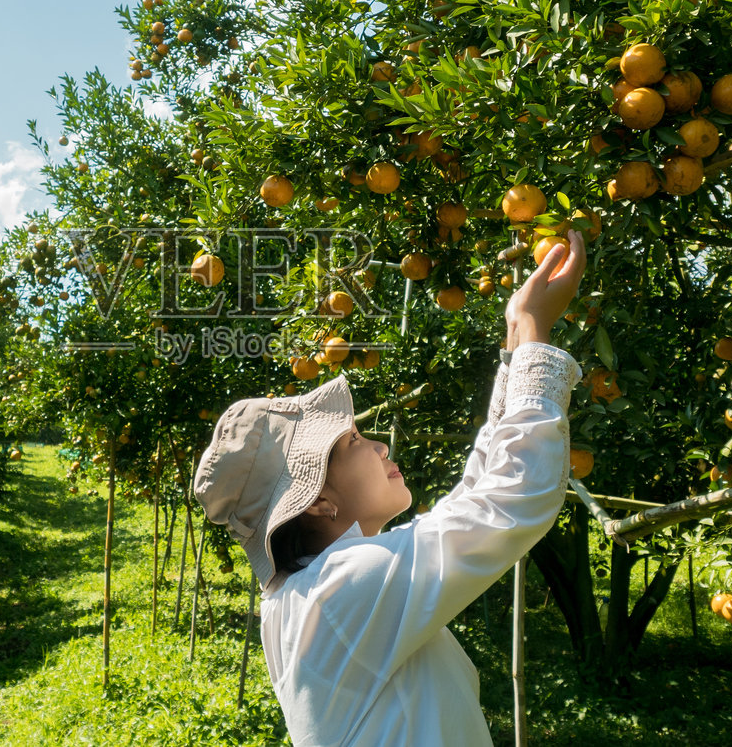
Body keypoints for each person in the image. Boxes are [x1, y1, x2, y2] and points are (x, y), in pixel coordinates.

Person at [192, 230, 587, 747]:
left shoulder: (309, 592)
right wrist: (536, 329)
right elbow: (510, 500)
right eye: (353, 440)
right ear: (316, 500)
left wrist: (515, 351)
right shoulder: (345, 587)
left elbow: (470, 502)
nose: (379, 447)